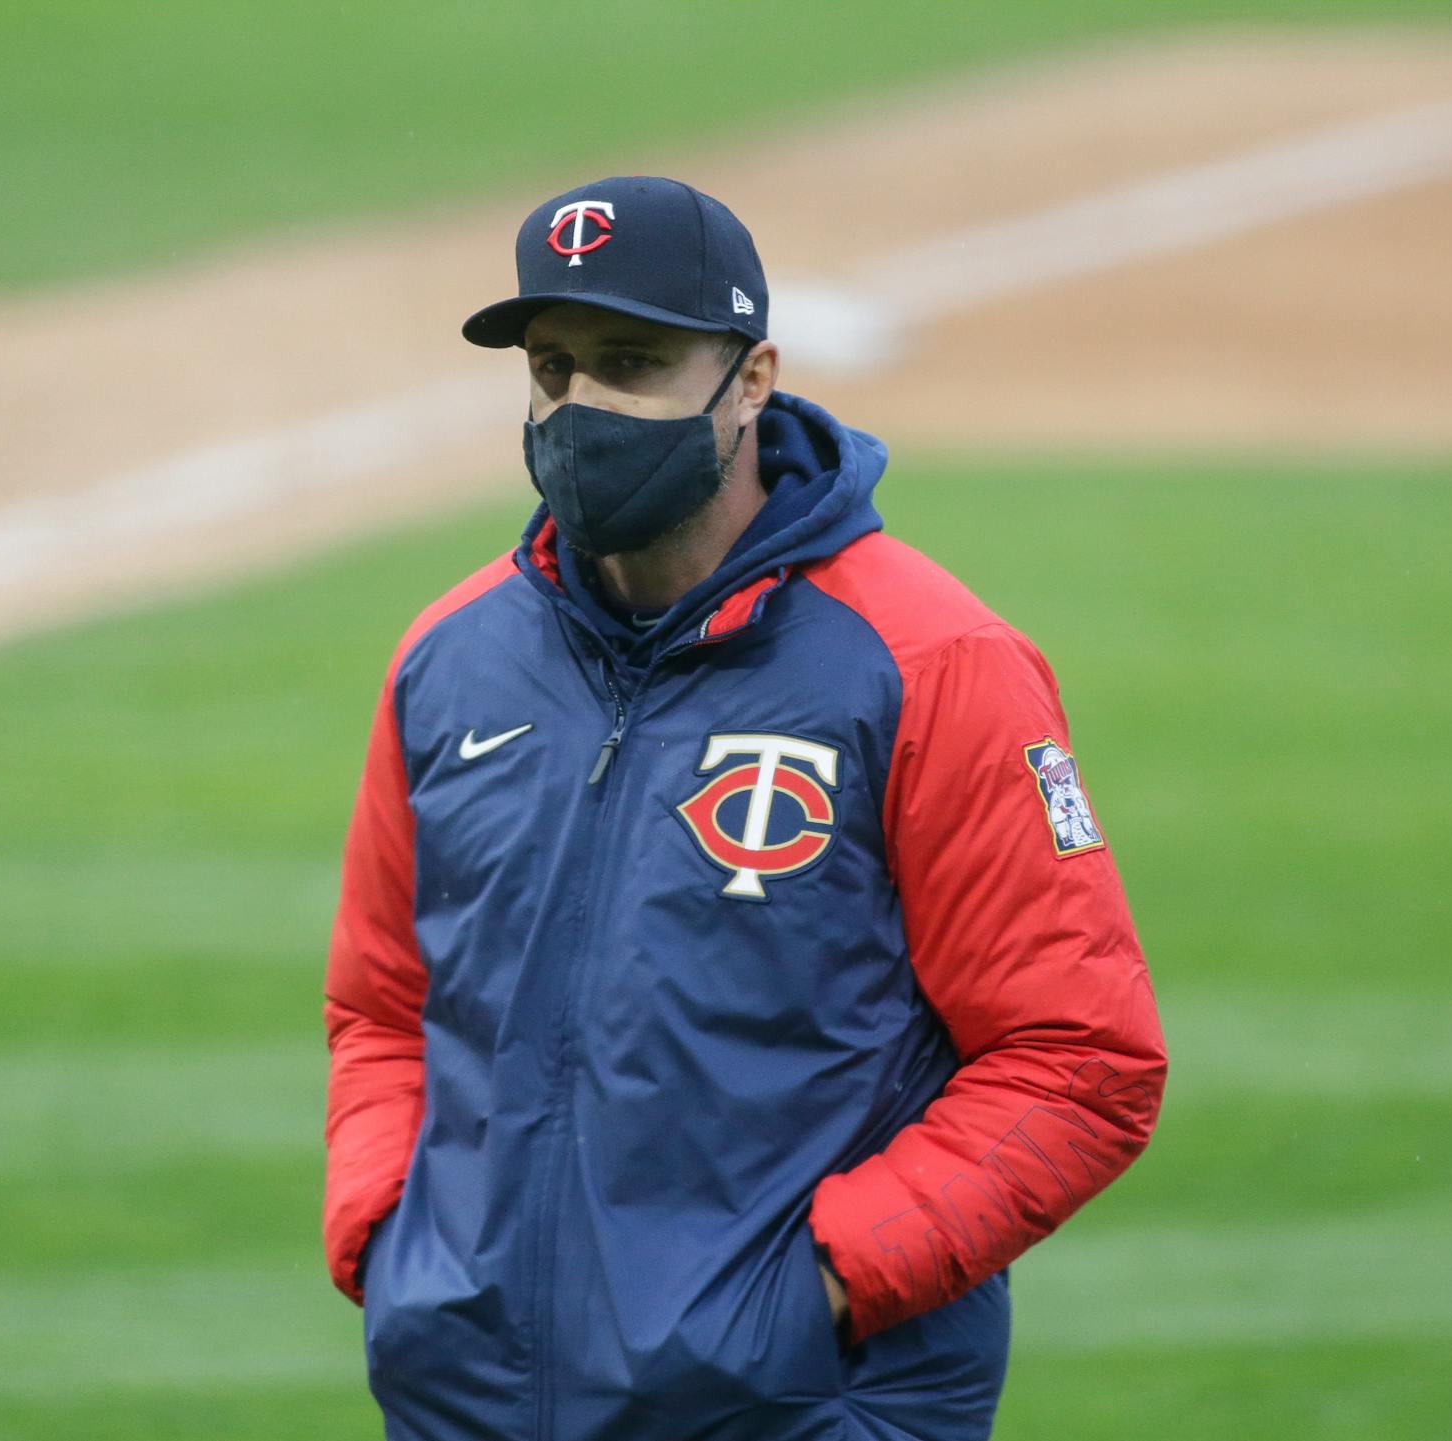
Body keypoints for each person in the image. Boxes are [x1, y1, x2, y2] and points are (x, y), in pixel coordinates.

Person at [322, 175, 1166, 1441]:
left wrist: (802, 1299)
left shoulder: (927, 660)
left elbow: (1080, 1059)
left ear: (754, 377)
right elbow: (384, 1006)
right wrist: (400, 1256)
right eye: (552, 369)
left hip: (798, 1406)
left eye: (633, 362)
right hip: (472, 1403)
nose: (580, 409)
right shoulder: (451, 658)